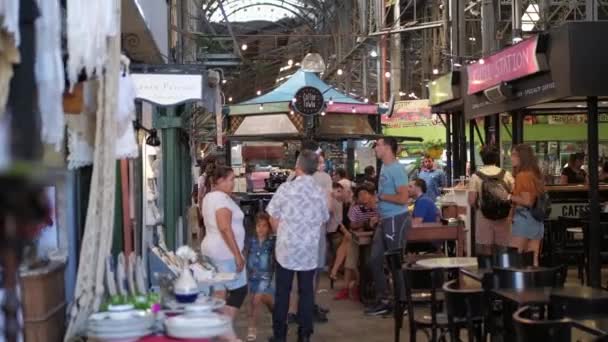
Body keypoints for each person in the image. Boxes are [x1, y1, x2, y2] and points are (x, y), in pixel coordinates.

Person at [266, 150, 330, 342]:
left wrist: (283, 234)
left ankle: (280, 336)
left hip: (286, 250)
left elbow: (272, 217)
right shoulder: (319, 192)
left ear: (298, 166)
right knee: (307, 293)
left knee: (282, 293)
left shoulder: (286, 189)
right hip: (308, 250)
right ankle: (304, 334)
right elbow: (323, 220)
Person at [200, 164, 247, 341]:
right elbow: (225, 228)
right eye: (231, 179)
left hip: (211, 249)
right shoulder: (220, 199)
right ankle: (224, 330)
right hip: (224, 253)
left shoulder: (209, 197)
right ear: (219, 180)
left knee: (219, 292)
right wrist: (237, 254)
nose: (233, 183)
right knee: (239, 290)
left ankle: (217, 331)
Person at [366, 137, 410, 316]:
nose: (376, 147)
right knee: (375, 260)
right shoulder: (384, 166)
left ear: (388, 148)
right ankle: (384, 300)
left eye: (378, 144)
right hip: (385, 220)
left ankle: (402, 303)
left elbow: (403, 198)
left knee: (395, 262)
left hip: (396, 219)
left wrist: (381, 198)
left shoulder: (397, 169)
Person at [333, 182, 379, 301]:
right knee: (351, 256)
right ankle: (348, 288)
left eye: (365, 194)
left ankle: (358, 286)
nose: (363, 197)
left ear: (372, 195)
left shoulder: (378, 207)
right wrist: (366, 223)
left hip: (374, 239)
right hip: (357, 238)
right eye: (360, 195)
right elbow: (352, 226)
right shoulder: (356, 209)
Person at [468, 145, 514, 255]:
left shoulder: (476, 176)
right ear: (497, 158)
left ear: (482, 158)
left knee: (486, 248)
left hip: (484, 216)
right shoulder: (506, 174)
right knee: (502, 248)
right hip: (503, 215)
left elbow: (471, 200)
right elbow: (514, 194)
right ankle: (501, 270)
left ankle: (488, 270)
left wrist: (478, 208)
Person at [509, 144, 545, 266]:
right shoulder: (535, 174)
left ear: (522, 157)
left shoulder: (522, 175)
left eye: (514, 154)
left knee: (515, 259)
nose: (511, 157)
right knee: (533, 259)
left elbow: (527, 201)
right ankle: (534, 284)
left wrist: (508, 196)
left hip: (523, 219)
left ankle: (518, 285)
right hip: (537, 221)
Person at [245, 213, 275, 342]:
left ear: (269, 228)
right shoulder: (250, 241)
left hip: (265, 276)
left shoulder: (271, 242)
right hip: (252, 276)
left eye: (264, 226)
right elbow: (245, 254)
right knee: (257, 302)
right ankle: (278, 316)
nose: (261, 229)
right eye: (259, 226)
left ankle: (252, 328)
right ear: (255, 227)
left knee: (256, 300)